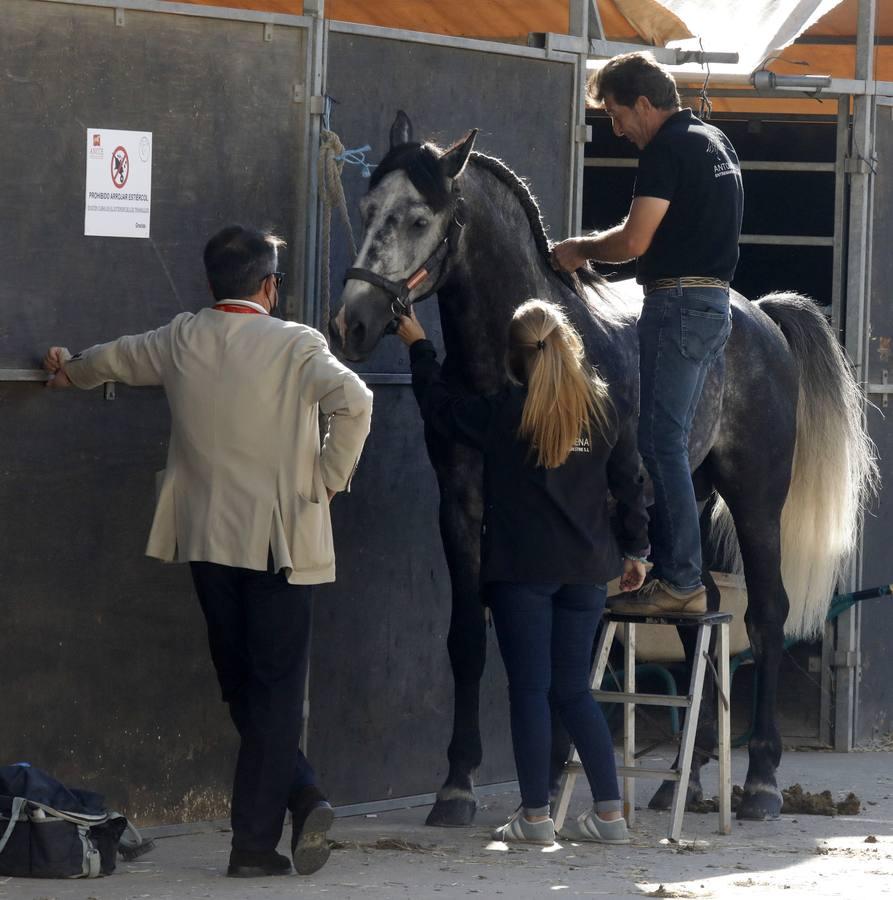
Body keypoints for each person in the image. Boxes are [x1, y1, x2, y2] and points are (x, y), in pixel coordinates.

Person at [43, 225, 373, 878]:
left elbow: (108, 359)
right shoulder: (297, 344)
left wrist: (67, 370)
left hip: (205, 540)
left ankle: (303, 793)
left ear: (212, 283)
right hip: (280, 542)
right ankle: (253, 845)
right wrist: (327, 480)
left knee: (243, 686)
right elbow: (356, 400)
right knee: (274, 694)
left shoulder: (180, 337)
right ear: (269, 286)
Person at [396, 300, 649, 845]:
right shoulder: (608, 409)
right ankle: (610, 815)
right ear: (568, 344)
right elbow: (632, 486)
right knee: (574, 692)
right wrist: (637, 551)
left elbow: (439, 409)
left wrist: (420, 346)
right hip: (585, 572)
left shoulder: (504, 412)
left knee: (530, 692)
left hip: (522, 573)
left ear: (514, 357)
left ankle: (535, 817)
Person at [552, 51, 742, 616]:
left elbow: (635, 242)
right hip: (714, 304)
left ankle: (680, 579)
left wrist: (579, 250)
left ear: (643, 102)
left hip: (678, 304)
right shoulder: (715, 141)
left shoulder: (665, 150)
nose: (617, 130)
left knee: (661, 446)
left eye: (617, 115)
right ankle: (680, 571)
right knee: (672, 443)